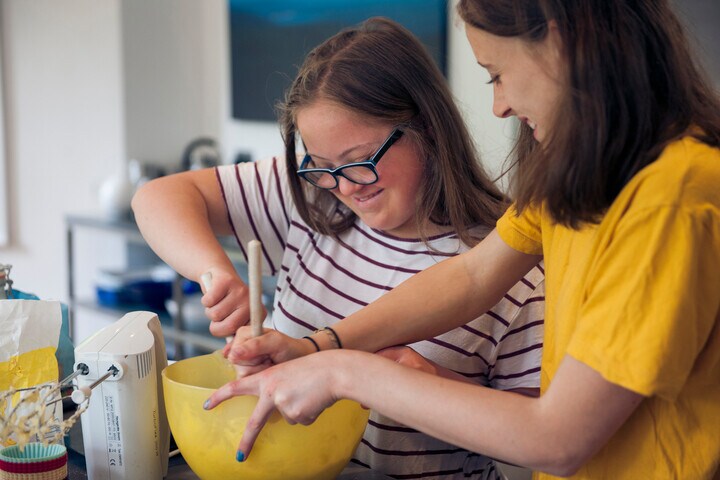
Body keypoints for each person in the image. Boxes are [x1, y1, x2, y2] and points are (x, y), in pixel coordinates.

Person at [205, 1, 720, 479]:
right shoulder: (588, 169)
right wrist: (317, 348)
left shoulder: (669, 200)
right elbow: (473, 276)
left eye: (496, 74)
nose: (498, 105)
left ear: (561, 45)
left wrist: (343, 373)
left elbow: (558, 437)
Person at [132, 17, 545, 480]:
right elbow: (155, 198)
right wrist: (215, 274)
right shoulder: (312, 200)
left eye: (360, 162)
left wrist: (426, 384)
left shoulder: (516, 271)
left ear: (427, 128)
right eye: (322, 165)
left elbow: (538, 445)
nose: (344, 187)